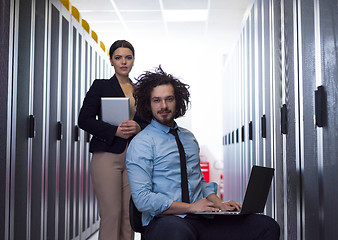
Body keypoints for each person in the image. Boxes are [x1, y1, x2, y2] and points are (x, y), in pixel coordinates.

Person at [126, 66, 280, 240]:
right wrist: (190, 207)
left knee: (266, 226)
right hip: (163, 220)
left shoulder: (188, 138)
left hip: (200, 218)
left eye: (169, 99)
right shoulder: (142, 143)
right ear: (148, 103)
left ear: (178, 101)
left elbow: (198, 181)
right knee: (179, 234)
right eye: (157, 100)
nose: (163, 106)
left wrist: (219, 203)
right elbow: (143, 199)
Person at [78, 40, 147, 240]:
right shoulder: (101, 86)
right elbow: (84, 120)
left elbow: (150, 121)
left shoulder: (141, 90)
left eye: (128, 57)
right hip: (107, 155)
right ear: (111, 61)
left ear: (133, 60)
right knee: (111, 214)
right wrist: (114, 131)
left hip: (134, 158)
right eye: (118, 57)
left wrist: (139, 127)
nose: (123, 62)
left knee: (129, 217)